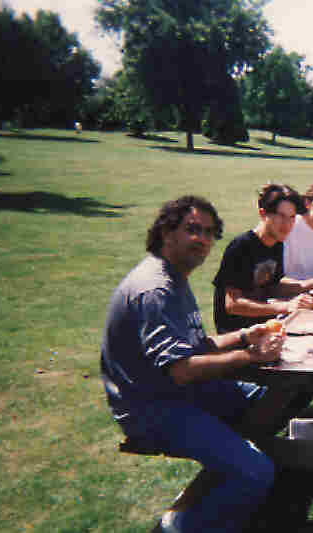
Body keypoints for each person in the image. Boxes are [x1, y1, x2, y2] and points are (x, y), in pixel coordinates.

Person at [100, 196, 286, 532]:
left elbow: (197, 347)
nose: (202, 239)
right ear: (166, 233)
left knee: (272, 397)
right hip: (152, 409)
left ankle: (228, 467)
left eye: (210, 233)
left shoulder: (174, 278)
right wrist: (253, 356)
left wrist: (246, 335)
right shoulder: (155, 289)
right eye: (192, 229)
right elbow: (182, 369)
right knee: (256, 471)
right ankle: (180, 526)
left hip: (177, 394)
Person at [213, 183, 313, 334]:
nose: (287, 224)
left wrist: (311, 284)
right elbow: (233, 305)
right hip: (239, 335)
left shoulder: (277, 243)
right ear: (263, 214)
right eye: (281, 216)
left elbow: (274, 285)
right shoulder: (242, 246)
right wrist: (285, 306)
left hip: (268, 327)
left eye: (292, 217)